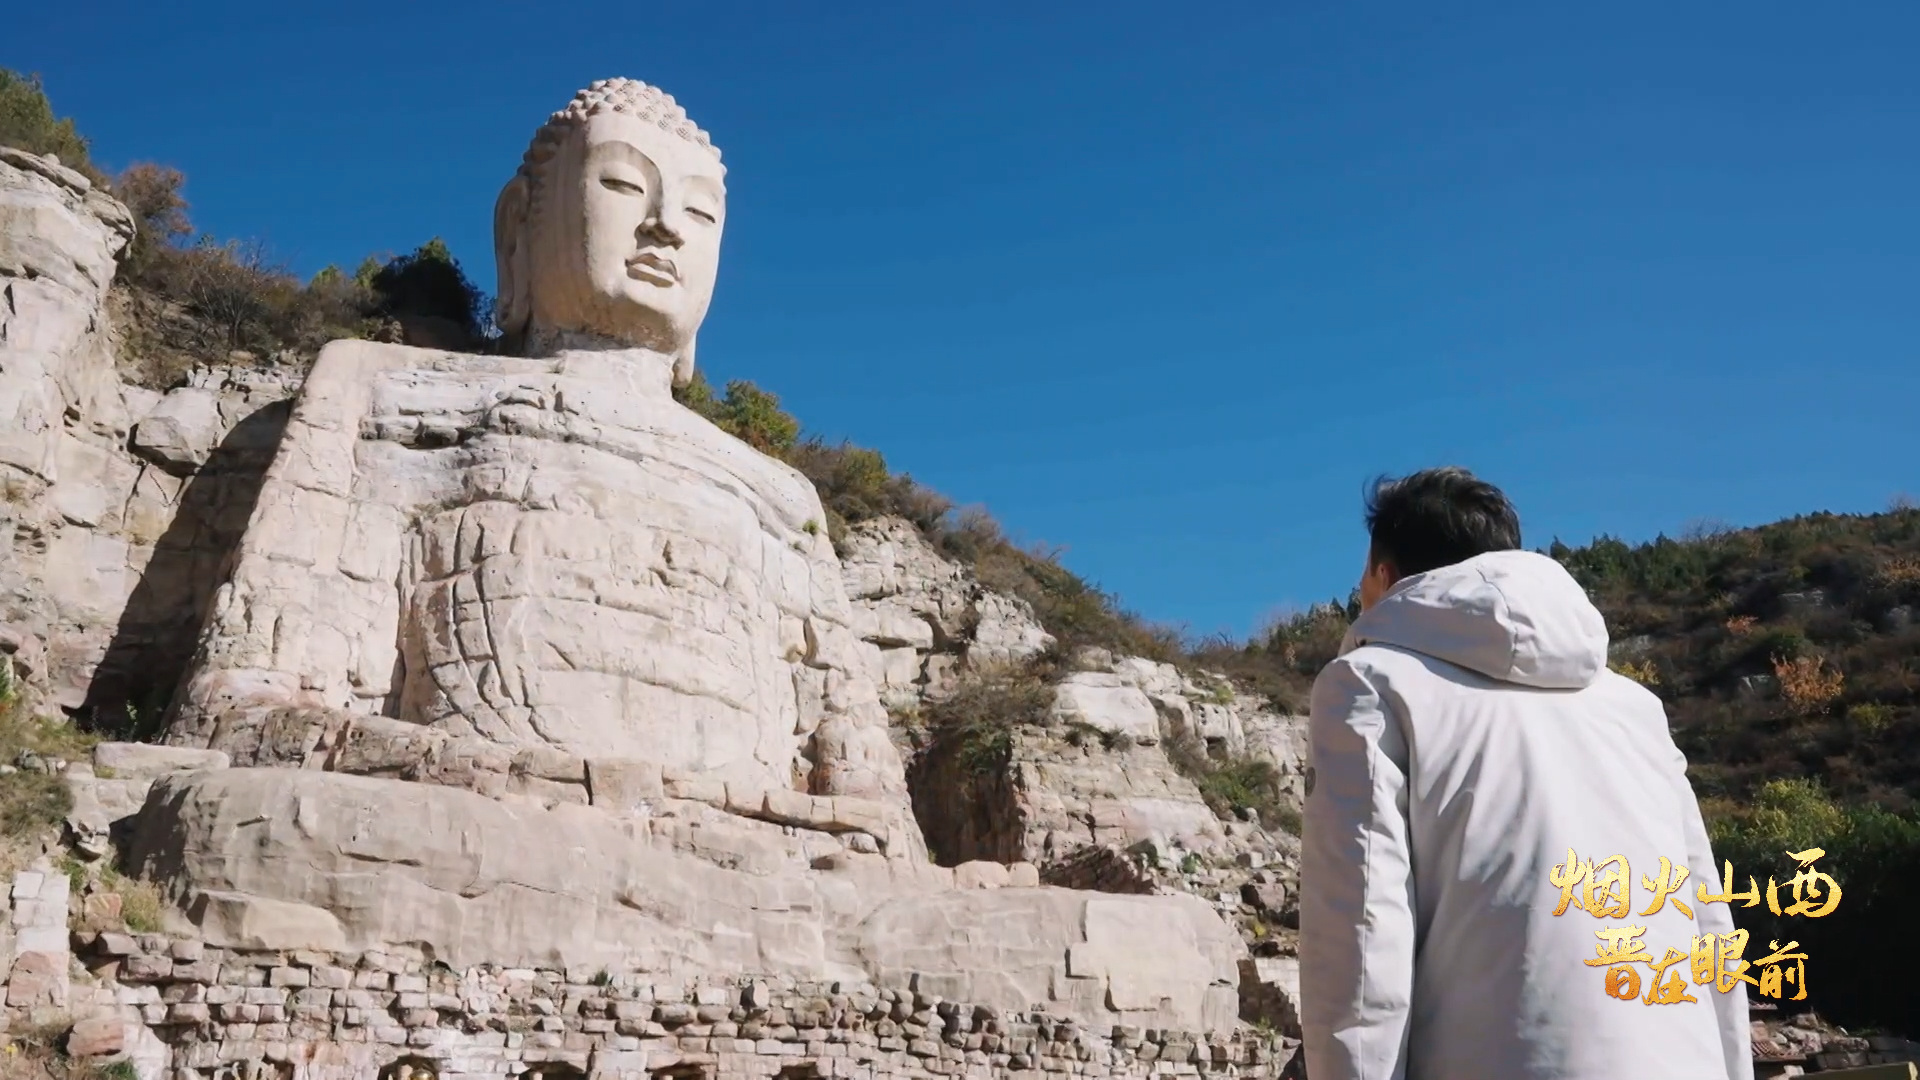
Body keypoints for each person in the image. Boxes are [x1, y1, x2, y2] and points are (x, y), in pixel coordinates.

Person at [1298, 467, 1751, 1080]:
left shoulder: (1369, 685)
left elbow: (1360, 941)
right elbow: (1706, 919)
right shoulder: (1636, 710)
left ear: (1385, 576)